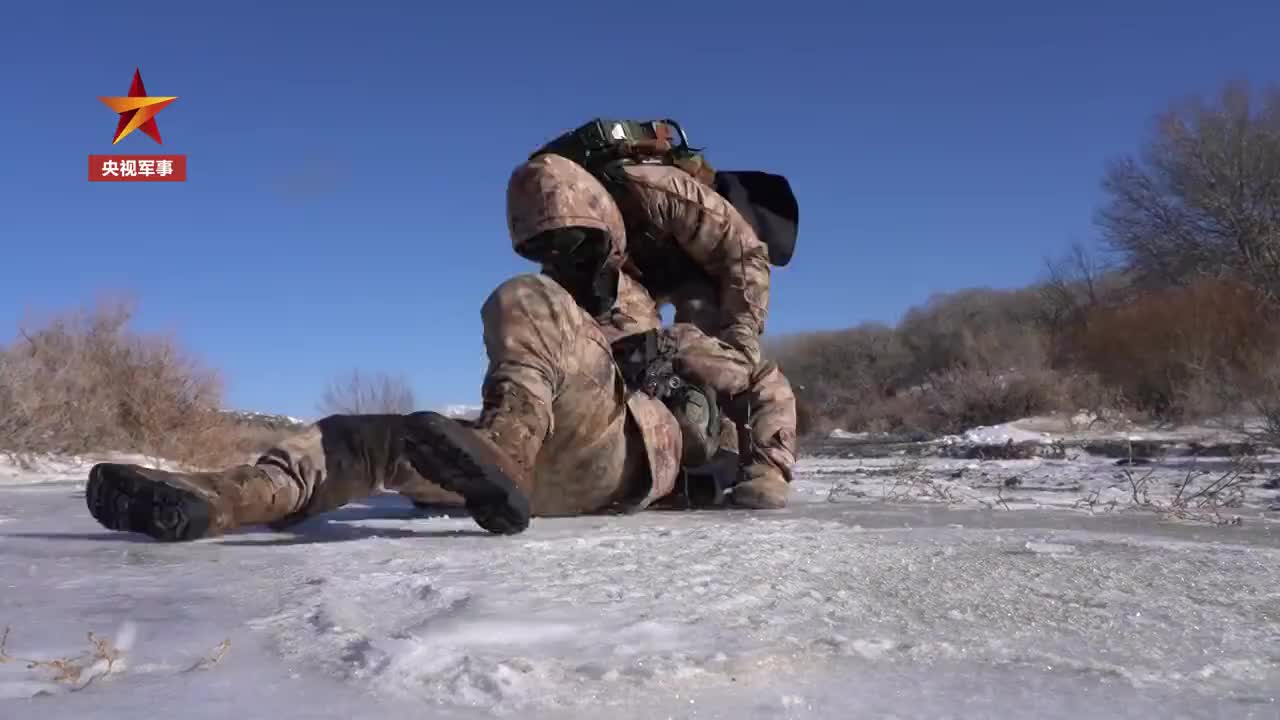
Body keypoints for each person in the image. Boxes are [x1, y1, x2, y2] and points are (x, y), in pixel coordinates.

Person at [82, 119, 798, 543]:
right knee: (364, 439)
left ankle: (505, 453)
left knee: (524, 303)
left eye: (583, 249)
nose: (566, 268)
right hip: (541, 468)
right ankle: (221, 499)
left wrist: (760, 482)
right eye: (553, 254)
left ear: (611, 230)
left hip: (624, 456)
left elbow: (765, 383)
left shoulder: (660, 327)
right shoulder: (568, 316)